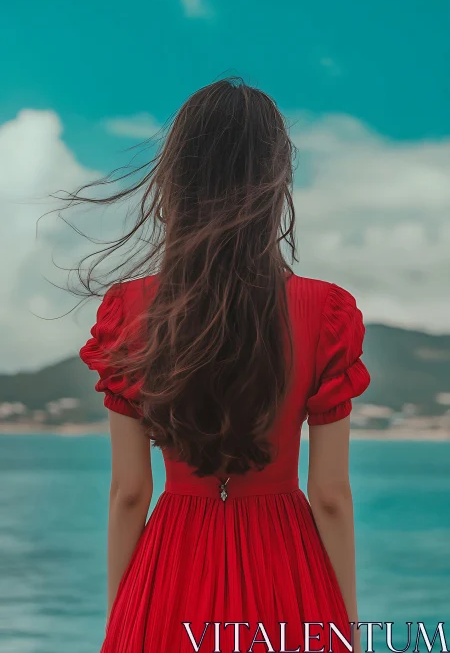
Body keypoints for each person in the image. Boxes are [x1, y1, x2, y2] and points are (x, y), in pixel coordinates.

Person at [78, 77, 370, 653]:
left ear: (177, 182)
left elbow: (130, 492)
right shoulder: (325, 311)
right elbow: (331, 494)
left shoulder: (131, 310)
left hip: (171, 568)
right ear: (276, 183)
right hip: (286, 568)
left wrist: (122, 622)